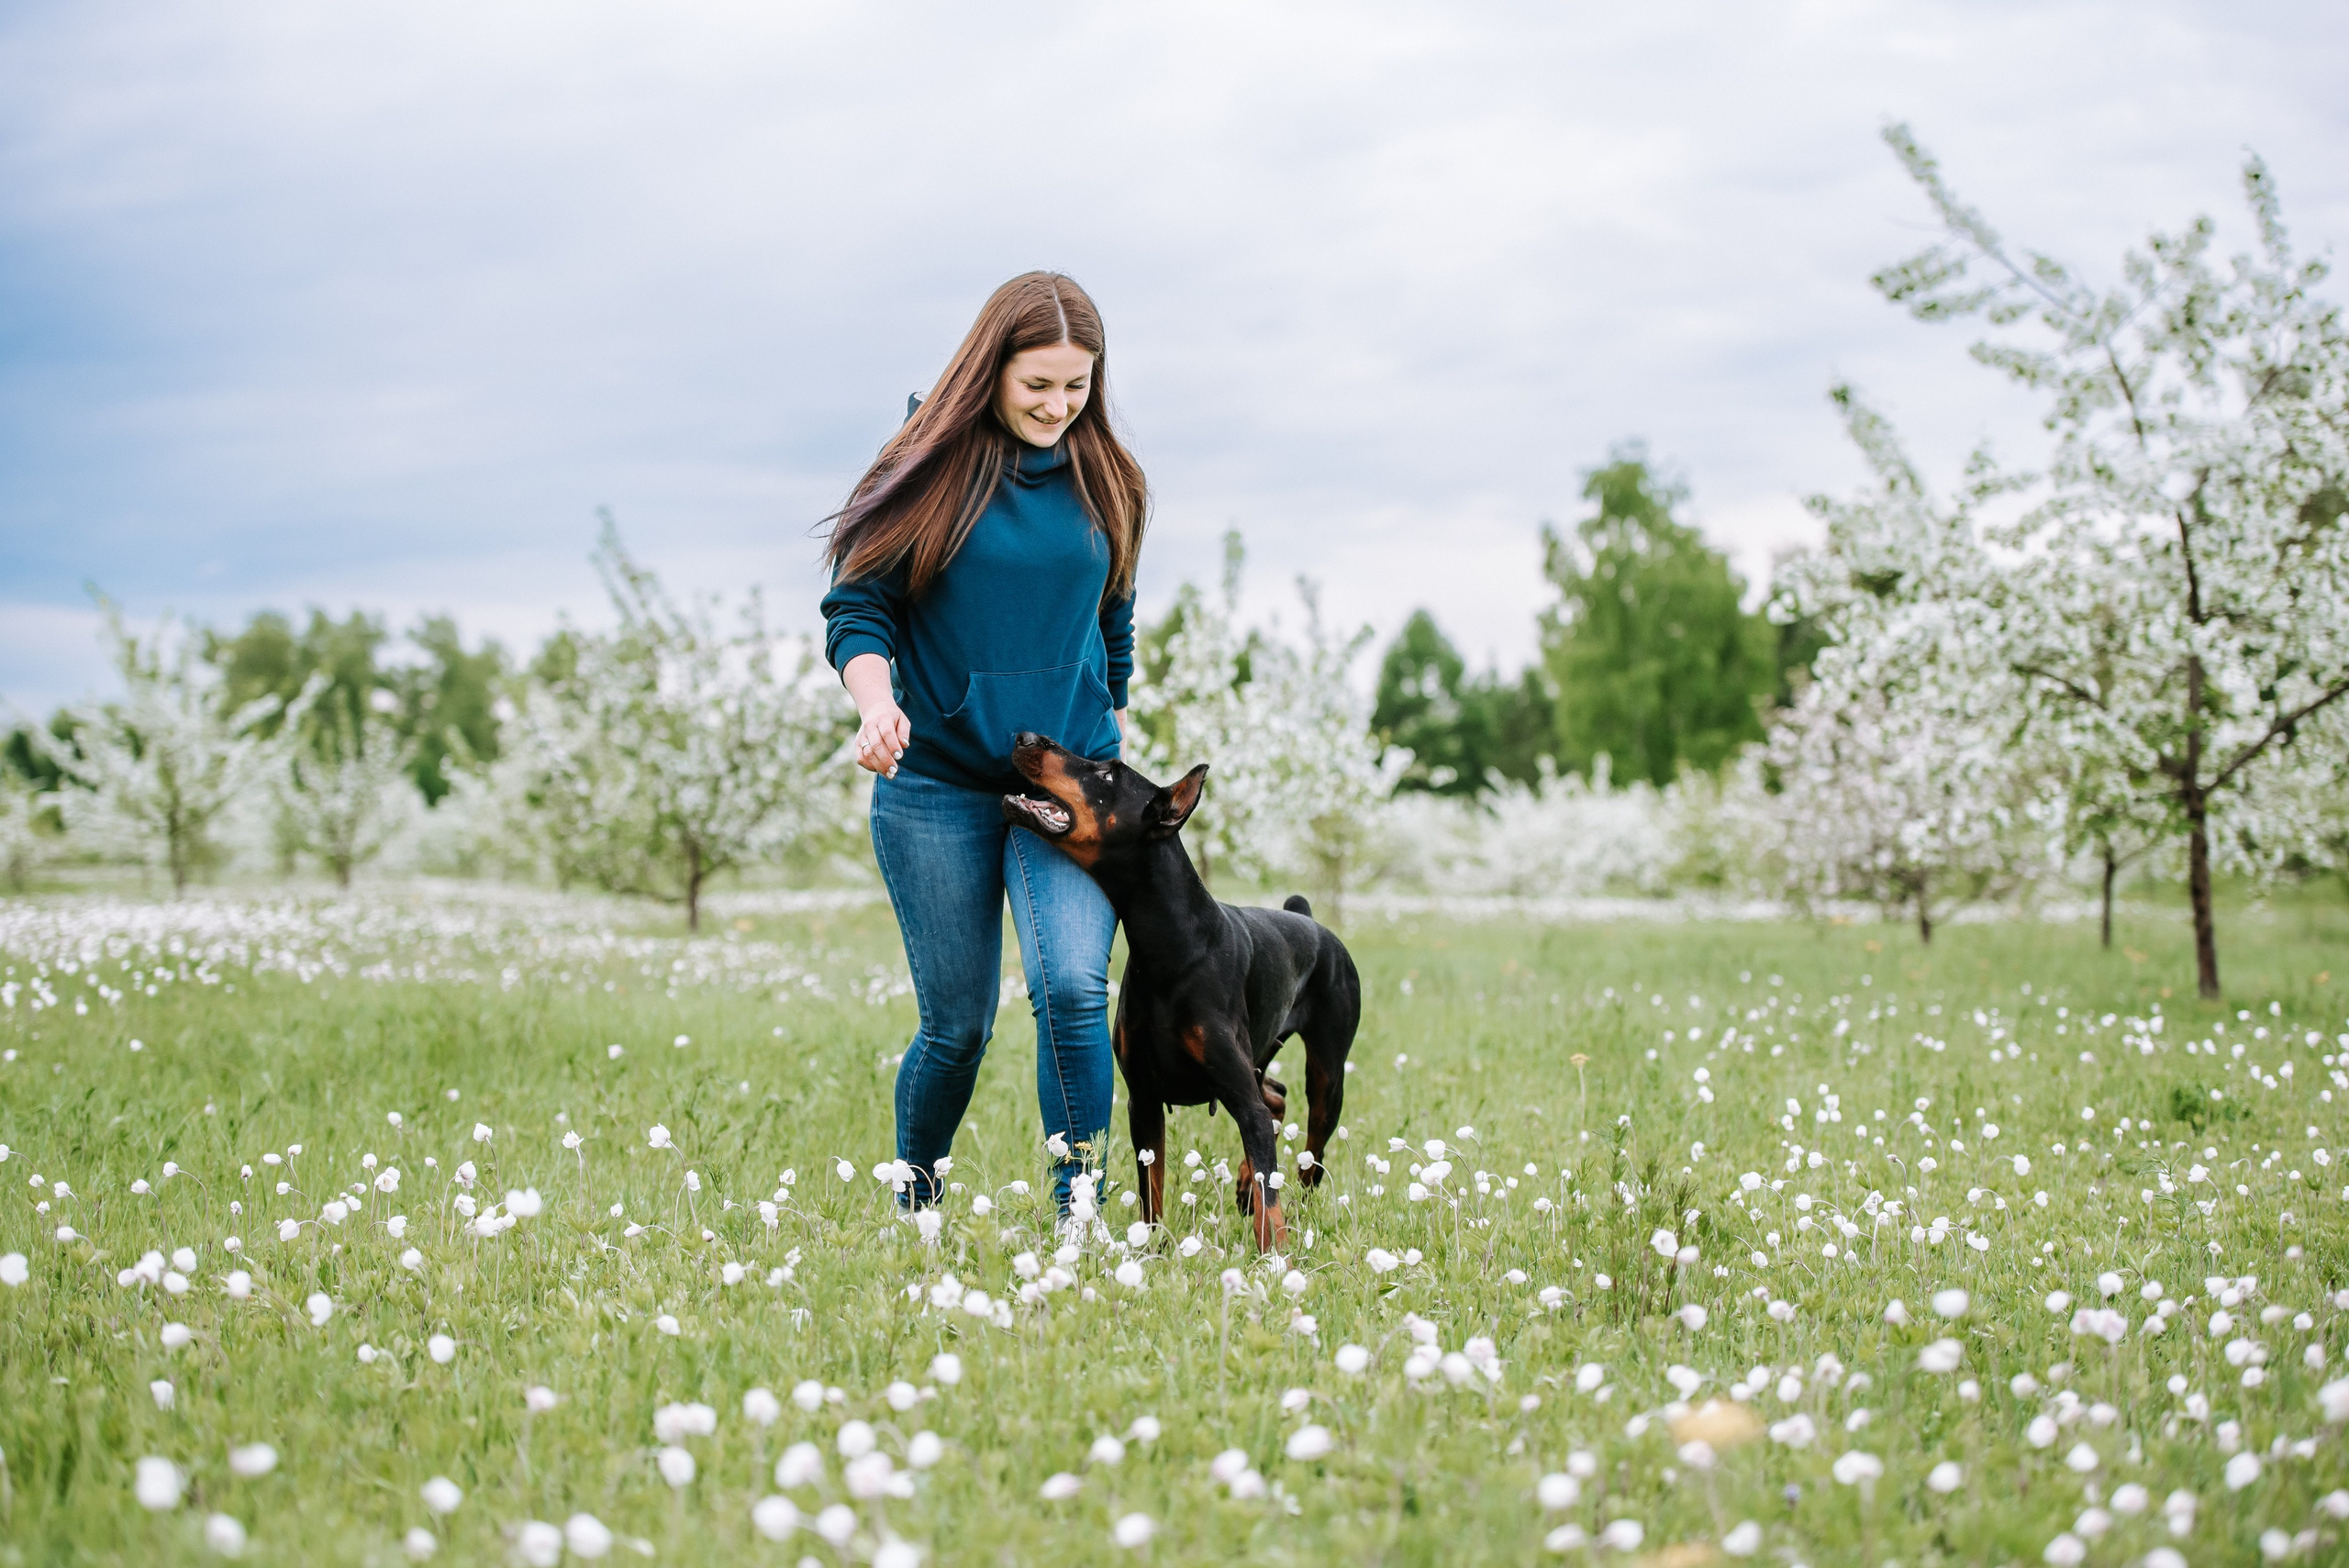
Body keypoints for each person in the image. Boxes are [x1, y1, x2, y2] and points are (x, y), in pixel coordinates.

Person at [820, 272, 1147, 1212]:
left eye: (1076, 386)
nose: (1058, 405)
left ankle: (1077, 1211)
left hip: (1068, 780)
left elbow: (1113, 613)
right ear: (990, 368)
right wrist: (874, 703)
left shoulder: (1107, 479)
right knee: (957, 1025)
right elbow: (857, 610)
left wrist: (1103, 710)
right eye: (1037, 384)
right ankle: (915, 1198)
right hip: (937, 786)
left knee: (1075, 989)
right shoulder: (921, 470)